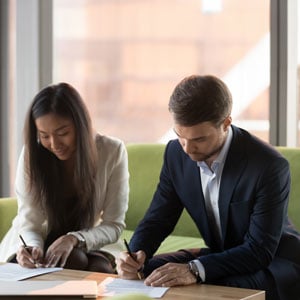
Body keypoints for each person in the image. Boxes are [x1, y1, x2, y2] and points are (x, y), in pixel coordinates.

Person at [116, 75, 300, 299]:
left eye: (199, 139)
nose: (187, 149)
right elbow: (158, 219)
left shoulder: (268, 166)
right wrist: (135, 255)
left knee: (213, 287)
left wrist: (194, 269)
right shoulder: (175, 154)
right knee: (148, 273)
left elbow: (258, 251)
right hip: (221, 256)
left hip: (273, 262)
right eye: (180, 136)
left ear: (226, 123)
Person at [0, 82, 129, 273]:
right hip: (39, 241)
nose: (54, 144)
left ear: (81, 125)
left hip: (89, 240)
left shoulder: (112, 151)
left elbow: (114, 225)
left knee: (94, 267)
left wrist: (74, 239)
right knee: (70, 262)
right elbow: (30, 222)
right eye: (44, 135)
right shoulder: (32, 154)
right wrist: (31, 247)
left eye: (63, 133)